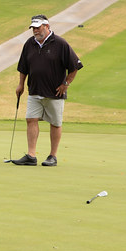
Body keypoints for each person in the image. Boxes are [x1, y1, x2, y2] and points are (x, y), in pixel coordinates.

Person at [12, 15, 83, 167]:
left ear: (47, 26)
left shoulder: (60, 43)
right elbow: (23, 66)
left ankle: (52, 156)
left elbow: (74, 66)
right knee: (31, 119)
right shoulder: (29, 44)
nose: (35, 30)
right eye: (33, 28)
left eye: (38, 27)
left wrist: (66, 83)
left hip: (54, 92)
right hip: (35, 90)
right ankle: (31, 155)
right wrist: (20, 84)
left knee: (55, 123)